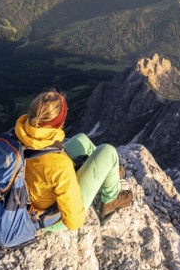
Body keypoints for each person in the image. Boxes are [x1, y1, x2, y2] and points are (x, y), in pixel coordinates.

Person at [14, 89, 133, 231]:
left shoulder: (20, 132)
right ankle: (109, 201)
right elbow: (74, 222)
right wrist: (69, 184)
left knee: (82, 140)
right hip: (47, 216)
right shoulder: (59, 165)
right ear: (58, 122)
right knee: (108, 151)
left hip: (34, 185)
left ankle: (106, 175)